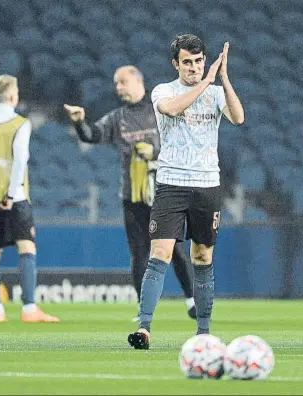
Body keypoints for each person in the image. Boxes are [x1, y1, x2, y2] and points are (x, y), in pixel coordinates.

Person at [128, 34, 245, 350]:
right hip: (171, 184)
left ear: (204, 60)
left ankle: (203, 333)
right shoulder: (163, 91)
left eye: (198, 61)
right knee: (160, 254)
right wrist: (206, 82)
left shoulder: (216, 91)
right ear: (175, 64)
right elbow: (170, 109)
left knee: (202, 256)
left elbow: (238, 117)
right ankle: (144, 328)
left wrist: (223, 79)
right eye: (187, 62)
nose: (194, 67)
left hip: (207, 185)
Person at [63, 66, 196, 320]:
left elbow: (182, 144)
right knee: (139, 253)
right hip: (132, 196)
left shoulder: (160, 111)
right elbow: (93, 136)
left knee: (175, 249)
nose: (118, 87)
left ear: (138, 80)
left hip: (164, 192)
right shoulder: (117, 117)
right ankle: (143, 308)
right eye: (116, 83)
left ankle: (191, 301)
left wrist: (155, 154)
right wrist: (79, 122)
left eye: (122, 82)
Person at [0, 74, 59, 322]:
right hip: (14, 196)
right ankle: (29, 308)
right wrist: (9, 194)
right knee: (26, 247)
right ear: (11, 95)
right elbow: (20, 160)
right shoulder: (20, 123)